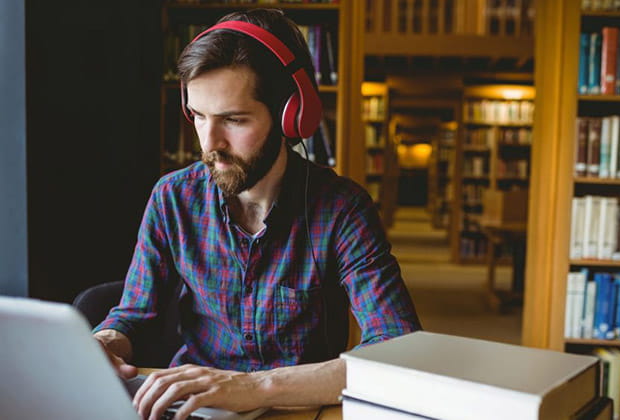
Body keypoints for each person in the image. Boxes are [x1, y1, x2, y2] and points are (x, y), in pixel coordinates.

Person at [92, 8, 421, 420]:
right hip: (192, 409)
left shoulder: (342, 209)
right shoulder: (172, 198)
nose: (210, 143)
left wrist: (253, 387)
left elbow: (399, 351)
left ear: (291, 116)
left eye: (233, 119)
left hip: (295, 410)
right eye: (198, 117)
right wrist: (105, 341)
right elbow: (133, 316)